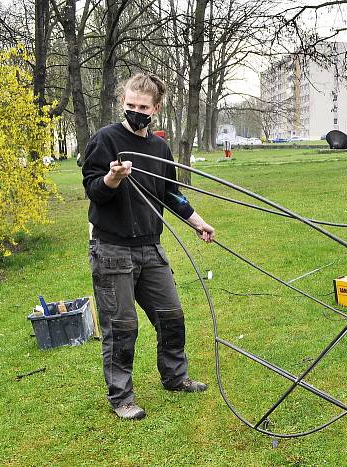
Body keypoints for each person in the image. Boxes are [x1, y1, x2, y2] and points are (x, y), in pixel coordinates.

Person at [82, 73, 215, 420]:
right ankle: (122, 398)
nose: (135, 111)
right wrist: (112, 178)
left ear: (155, 108)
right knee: (122, 326)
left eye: (142, 107)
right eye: (130, 105)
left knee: (172, 316)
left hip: (150, 247)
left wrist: (197, 222)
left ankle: (175, 377)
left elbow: (171, 193)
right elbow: (93, 189)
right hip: (112, 250)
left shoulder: (159, 147)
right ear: (122, 103)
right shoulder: (106, 140)